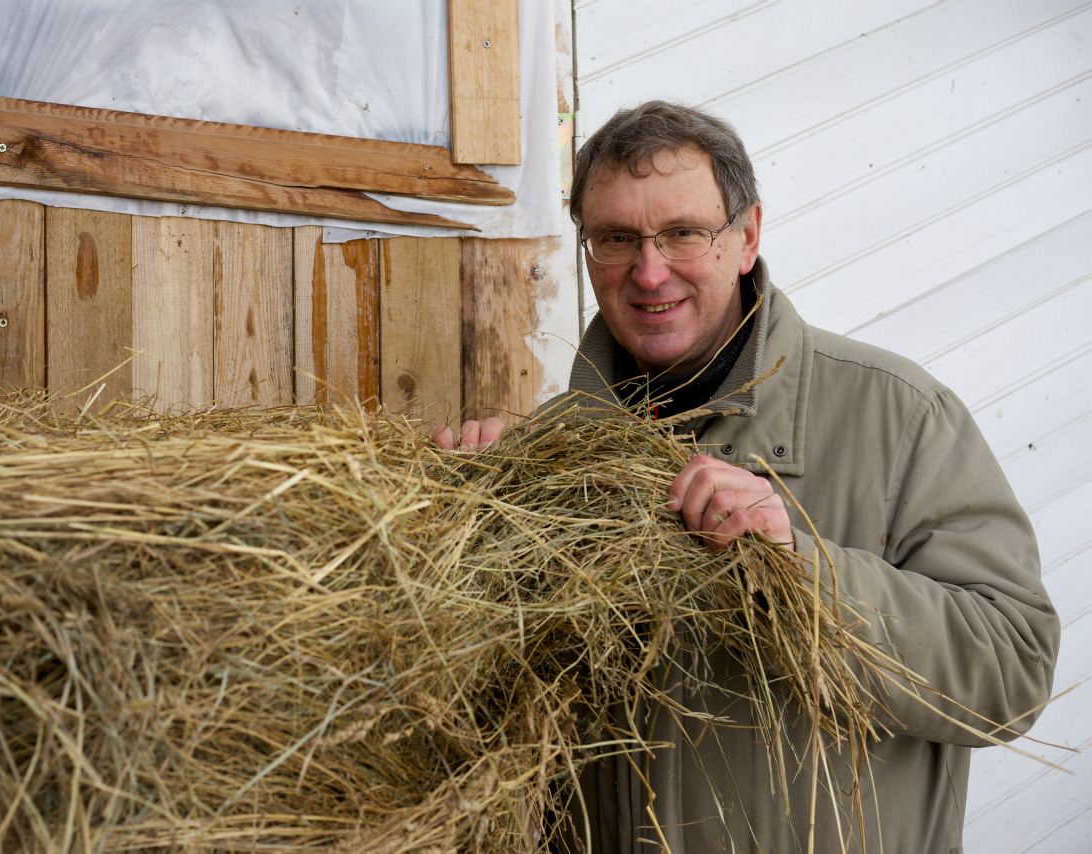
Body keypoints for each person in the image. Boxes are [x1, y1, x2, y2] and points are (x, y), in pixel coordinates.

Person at [434, 101, 1059, 853]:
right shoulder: (552, 451)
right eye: (616, 239)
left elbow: (1012, 671)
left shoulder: (899, 414)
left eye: (682, 234)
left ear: (747, 235)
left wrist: (801, 570)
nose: (649, 270)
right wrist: (459, 543)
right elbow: (492, 728)